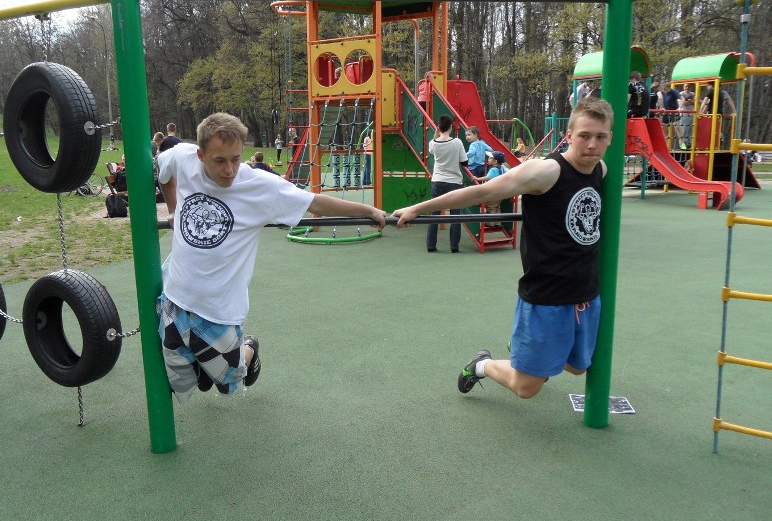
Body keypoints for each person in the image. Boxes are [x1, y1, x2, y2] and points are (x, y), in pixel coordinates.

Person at [156, 112, 386, 402]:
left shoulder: (260, 186)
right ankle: (205, 368)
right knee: (185, 385)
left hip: (219, 308)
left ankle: (248, 351)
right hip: (177, 295)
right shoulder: (183, 157)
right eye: (219, 161)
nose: (229, 169)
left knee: (229, 384)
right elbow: (163, 171)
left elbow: (314, 203)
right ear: (201, 154)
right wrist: (173, 207)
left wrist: (366, 210)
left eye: (236, 159)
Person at [393, 97, 613, 400]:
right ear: (569, 135)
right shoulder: (546, 172)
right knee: (526, 388)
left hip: (585, 293)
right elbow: (481, 191)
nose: (592, 145)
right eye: (584, 136)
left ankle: (527, 354)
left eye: (600, 137)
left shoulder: (600, 170)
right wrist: (419, 208)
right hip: (547, 296)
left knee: (577, 367)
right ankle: (482, 365)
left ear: (610, 138)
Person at [425, 114, 467, 253]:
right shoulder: (457, 142)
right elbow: (464, 161)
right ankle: (454, 246)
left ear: (438, 128)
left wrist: (436, 134)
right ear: (451, 126)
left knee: (434, 214)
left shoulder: (433, 143)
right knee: (455, 215)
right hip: (454, 182)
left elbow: (432, 150)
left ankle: (431, 245)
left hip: (437, 180)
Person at [660, 82, 681, 147]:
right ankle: (665, 145)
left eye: (664, 89)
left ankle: (682, 144)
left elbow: (682, 98)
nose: (664, 90)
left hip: (674, 112)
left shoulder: (674, 92)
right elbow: (662, 100)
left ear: (668, 87)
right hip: (666, 112)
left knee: (678, 128)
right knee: (664, 128)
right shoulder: (664, 93)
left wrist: (680, 107)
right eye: (663, 89)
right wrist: (662, 107)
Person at [678, 83, 695, 151]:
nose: (687, 88)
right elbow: (683, 103)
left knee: (690, 129)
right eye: (686, 86)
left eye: (688, 86)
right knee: (684, 129)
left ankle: (688, 144)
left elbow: (696, 101)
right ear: (683, 87)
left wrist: (690, 101)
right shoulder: (681, 93)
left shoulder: (693, 94)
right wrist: (691, 102)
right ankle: (682, 145)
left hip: (691, 114)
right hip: (684, 113)